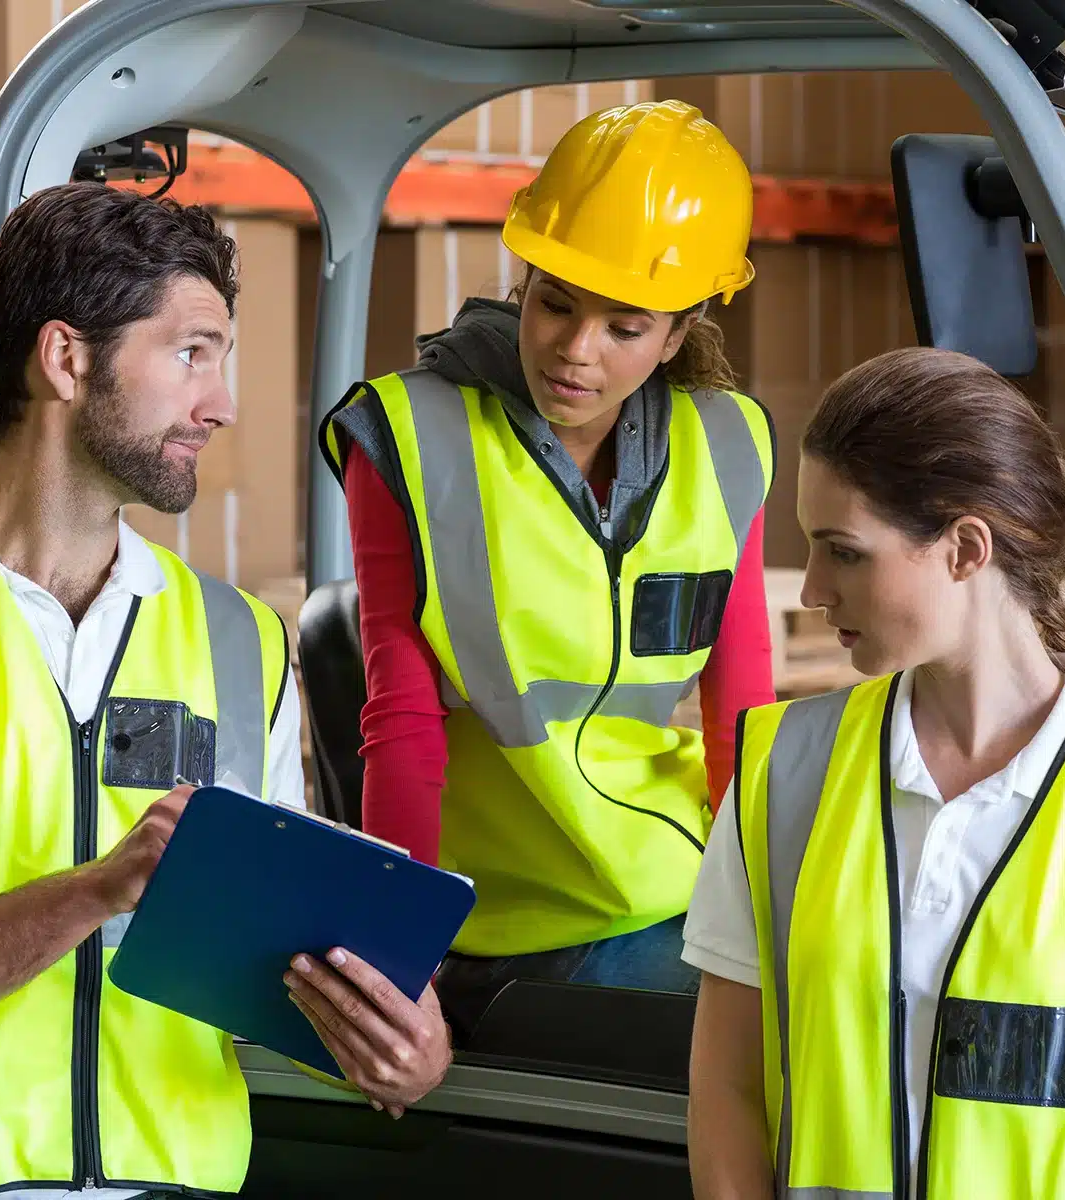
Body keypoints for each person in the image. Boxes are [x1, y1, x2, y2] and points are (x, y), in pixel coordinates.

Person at [0, 183, 449, 1199]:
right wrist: (95, 889)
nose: (220, 402)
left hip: (177, 1184)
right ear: (67, 358)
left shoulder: (241, 641)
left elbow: (277, 966)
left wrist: (395, 1044)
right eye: (189, 352)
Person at [681, 347, 1065, 1199]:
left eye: (842, 552)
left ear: (964, 548)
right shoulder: (783, 773)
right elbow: (727, 1092)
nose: (812, 589)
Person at [314, 98, 778, 1022]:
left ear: (679, 334)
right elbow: (399, 717)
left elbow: (741, 714)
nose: (574, 350)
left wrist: (756, 908)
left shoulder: (730, 444)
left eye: (625, 327)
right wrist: (401, 953)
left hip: (667, 897)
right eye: (555, 303)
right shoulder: (410, 433)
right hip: (494, 919)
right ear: (522, 279)